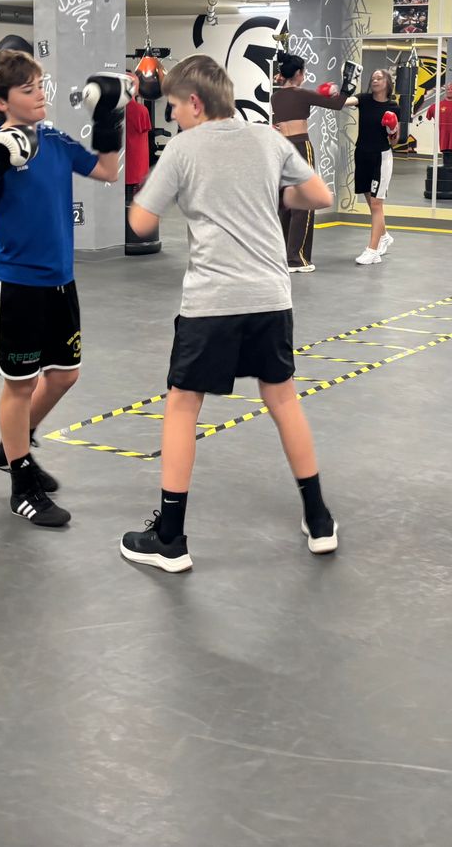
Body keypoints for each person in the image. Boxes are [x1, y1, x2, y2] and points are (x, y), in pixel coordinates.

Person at [120, 55, 337, 572]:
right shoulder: (267, 138)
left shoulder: (184, 148)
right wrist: (268, 192)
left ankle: (170, 539)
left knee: (182, 405)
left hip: (212, 302)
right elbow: (319, 196)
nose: (173, 117)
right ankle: (319, 519)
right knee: (283, 399)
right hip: (271, 297)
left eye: (175, 107)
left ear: (195, 103)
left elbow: (141, 223)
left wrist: (165, 191)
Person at [0, 51, 124, 527]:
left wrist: (107, 119)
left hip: (60, 281)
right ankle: (21, 484)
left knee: (65, 375)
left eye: (39, 85)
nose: (40, 94)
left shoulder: (53, 139)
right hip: (16, 283)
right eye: (27, 89)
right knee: (21, 383)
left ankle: (16, 446)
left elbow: (107, 171)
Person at [269, 53, 356, 272]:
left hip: (281, 149)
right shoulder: (302, 94)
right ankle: (297, 259)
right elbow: (337, 104)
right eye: (304, 72)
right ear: (298, 73)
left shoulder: (275, 97)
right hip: (300, 146)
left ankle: (285, 257)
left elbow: (279, 122)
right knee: (304, 202)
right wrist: (347, 87)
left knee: (286, 203)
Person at [347, 68, 400, 265]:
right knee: (371, 202)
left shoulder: (393, 107)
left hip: (381, 157)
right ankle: (384, 236)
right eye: (373, 78)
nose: (375, 80)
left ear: (387, 83)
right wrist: (345, 87)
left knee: (377, 204)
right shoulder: (363, 99)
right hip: (362, 154)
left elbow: (394, 141)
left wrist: (392, 128)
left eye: (379, 78)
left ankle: (372, 250)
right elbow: (344, 102)